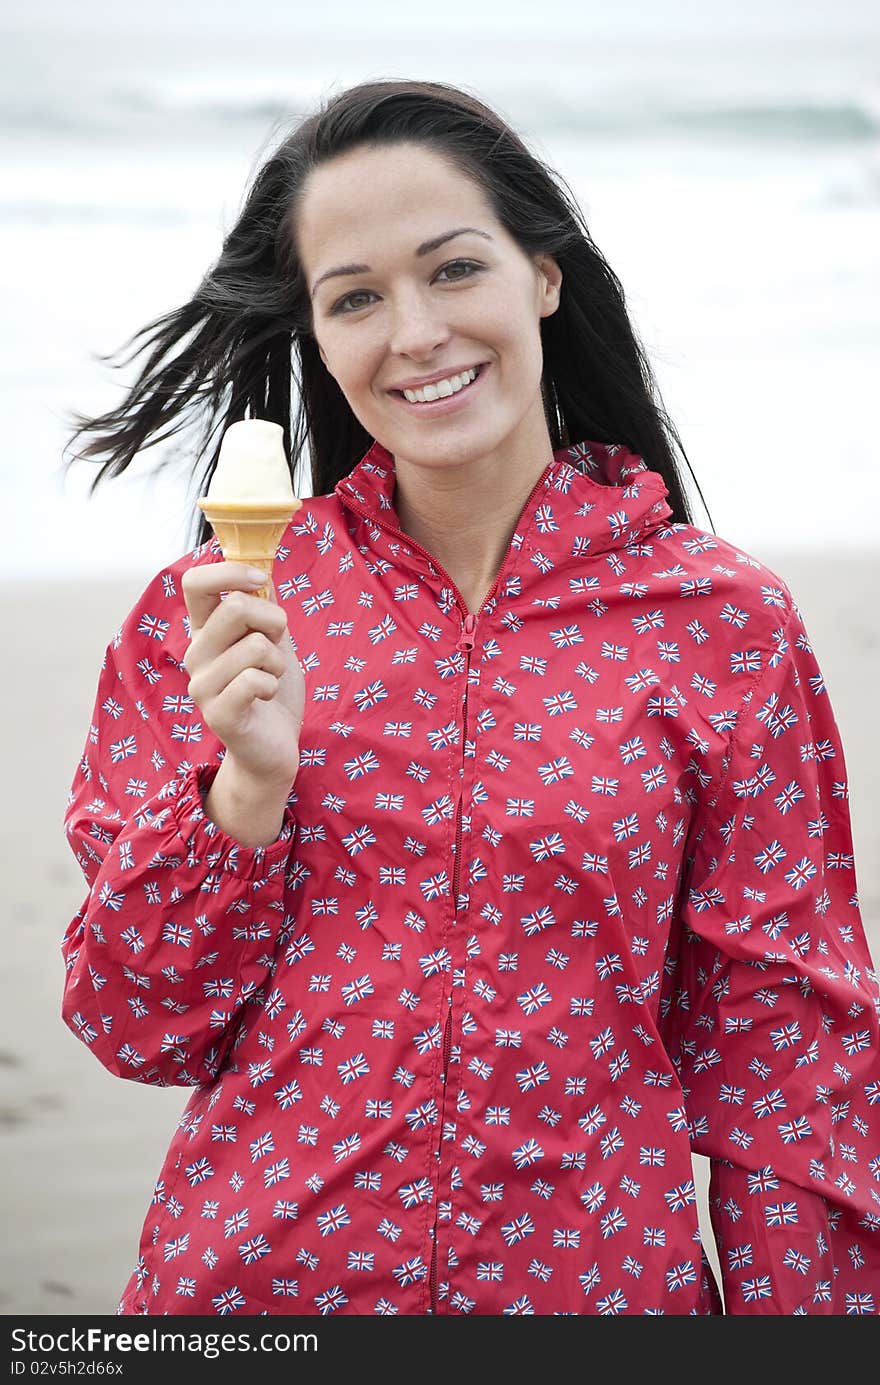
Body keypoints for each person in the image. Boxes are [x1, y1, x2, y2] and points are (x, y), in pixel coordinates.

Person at [60, 77, 880, 1317]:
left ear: (542, 274)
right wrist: (243, 791)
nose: (415, 333)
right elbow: (136, 1025)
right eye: (355, 298)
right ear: (318, 337)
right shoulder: (218, 614)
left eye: (452, 270)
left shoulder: (722, 627)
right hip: (252, 1297)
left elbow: (785, 1060)